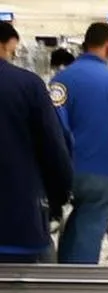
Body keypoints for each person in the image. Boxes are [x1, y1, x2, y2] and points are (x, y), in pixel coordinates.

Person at [50, 22, 108, 264]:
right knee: (90, 229)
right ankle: (79, 287)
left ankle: (63, 276)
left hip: (65, 168)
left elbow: (53, 125)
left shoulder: (60, 80)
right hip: (102, 169)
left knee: (75, 223)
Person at [0, 24, 73, 263]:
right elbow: (53, 146)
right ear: (4, 45)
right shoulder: (27, 85)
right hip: (17, 217)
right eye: (12, 51)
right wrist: (59, 196)